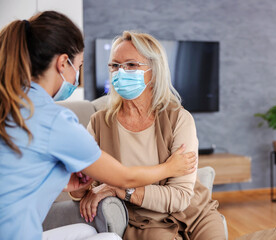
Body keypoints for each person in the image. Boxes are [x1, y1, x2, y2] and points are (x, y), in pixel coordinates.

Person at [0, 11, 197, 240]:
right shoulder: (55, 120)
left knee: (87, 231)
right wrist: (170, 168)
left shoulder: (13, 103)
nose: (78, 76)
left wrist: (64, 181)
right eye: (80, 66)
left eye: (131, 65)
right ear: (63, 63)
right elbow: (124, 178)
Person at [70, 31, 226, 240]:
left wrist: (121, 189)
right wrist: (82, 191)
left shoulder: (180, 119)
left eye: (131, 65)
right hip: (145, 221)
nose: (121, 71)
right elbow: (86, 187)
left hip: (195, 215)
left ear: (154, 71)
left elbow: (180, 197)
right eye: (115, 65)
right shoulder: (99, 123)